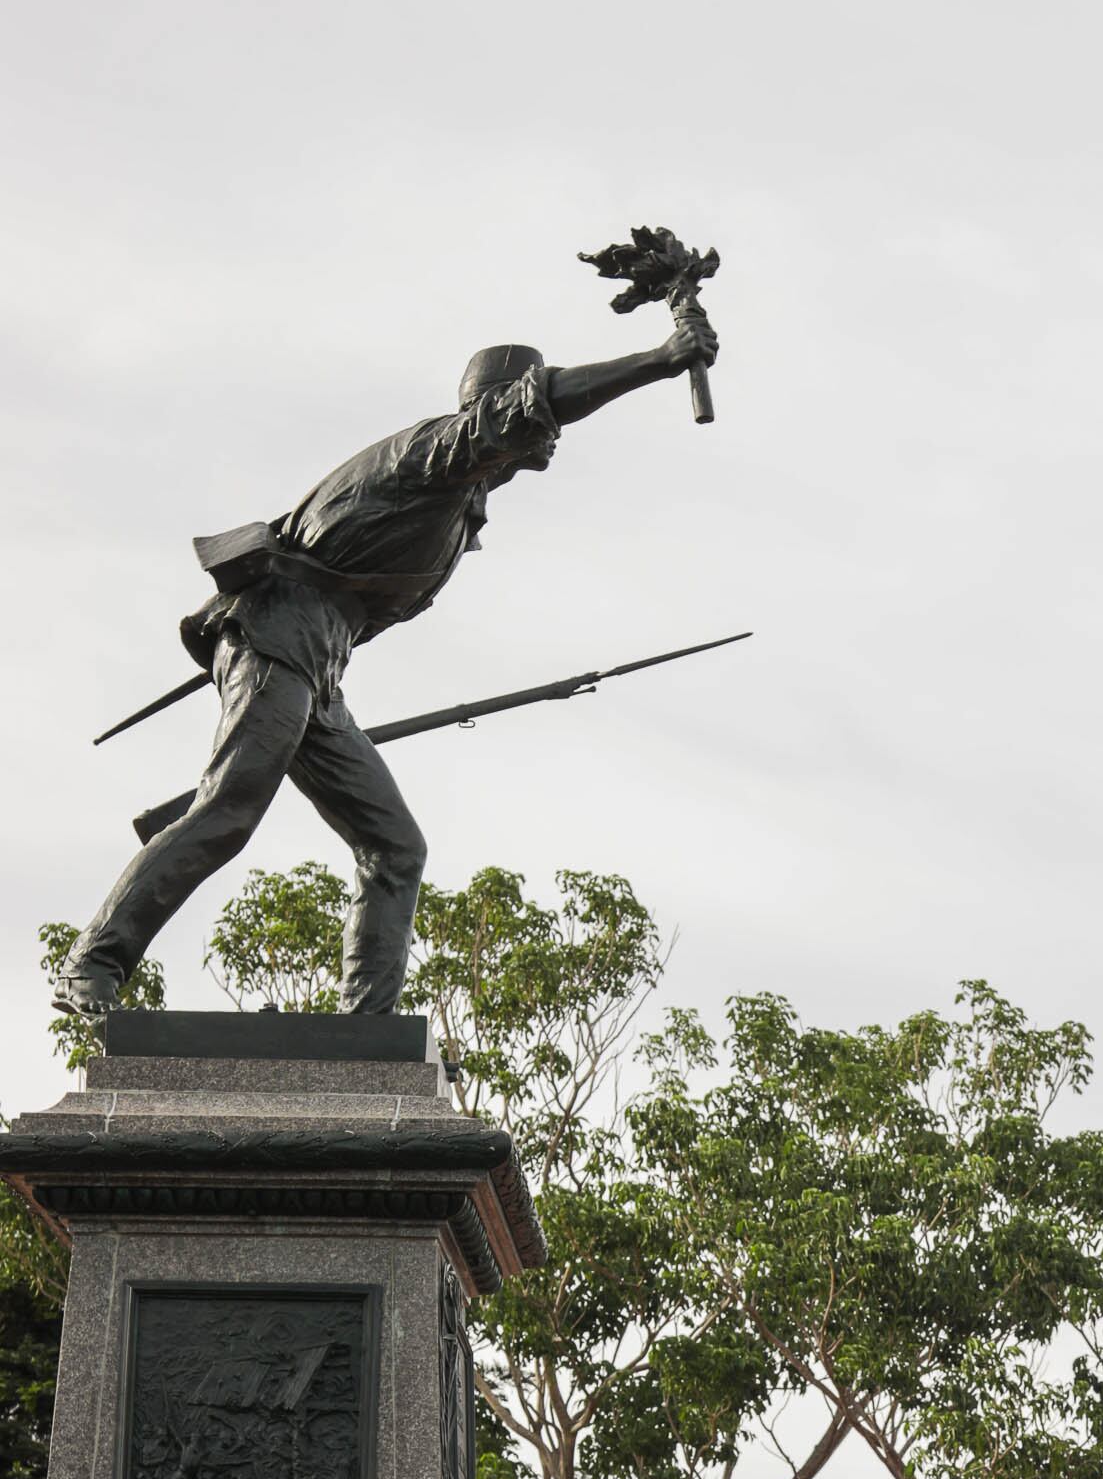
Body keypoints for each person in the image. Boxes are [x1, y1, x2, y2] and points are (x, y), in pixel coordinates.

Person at [58, 310, 718, 1021]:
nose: (550, 433)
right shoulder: (435, 452)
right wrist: (661, 358)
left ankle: (363, 1029)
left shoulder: (459, 493)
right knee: (227, 812)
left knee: (395, 847)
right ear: (496, 404)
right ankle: (92, 964)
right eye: (532, 414)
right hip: (279, 637)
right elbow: (540, 403)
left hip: (316, 662)